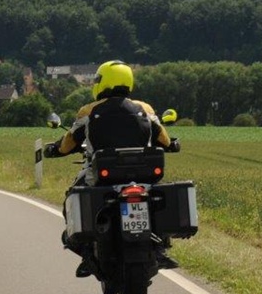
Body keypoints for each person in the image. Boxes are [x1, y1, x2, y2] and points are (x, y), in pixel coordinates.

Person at [44, 60, 180, 276]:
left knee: (71, 198)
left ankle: (88, 254)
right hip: (143, 175)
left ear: (103, 82)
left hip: (100, 176)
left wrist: (55, 149)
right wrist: (172, 144)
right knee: (158, 198)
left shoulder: (89, 110)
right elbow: (162, 137)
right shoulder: (144, 108)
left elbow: (69, 141)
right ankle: (161, 247)